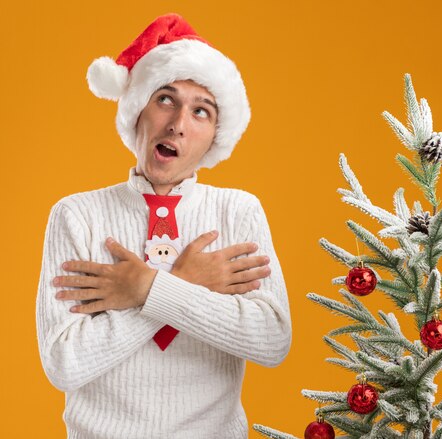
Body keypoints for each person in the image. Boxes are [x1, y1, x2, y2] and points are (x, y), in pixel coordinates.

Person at [35, 13, 292, 439]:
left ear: (215, 136)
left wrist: (146, 288)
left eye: (201, 111)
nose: (178, 124)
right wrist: (186, 282)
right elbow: (65, 362)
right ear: (138, 109)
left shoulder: (239, 211)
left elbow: (271, 340)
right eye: (166, 99)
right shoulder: (76, 215)